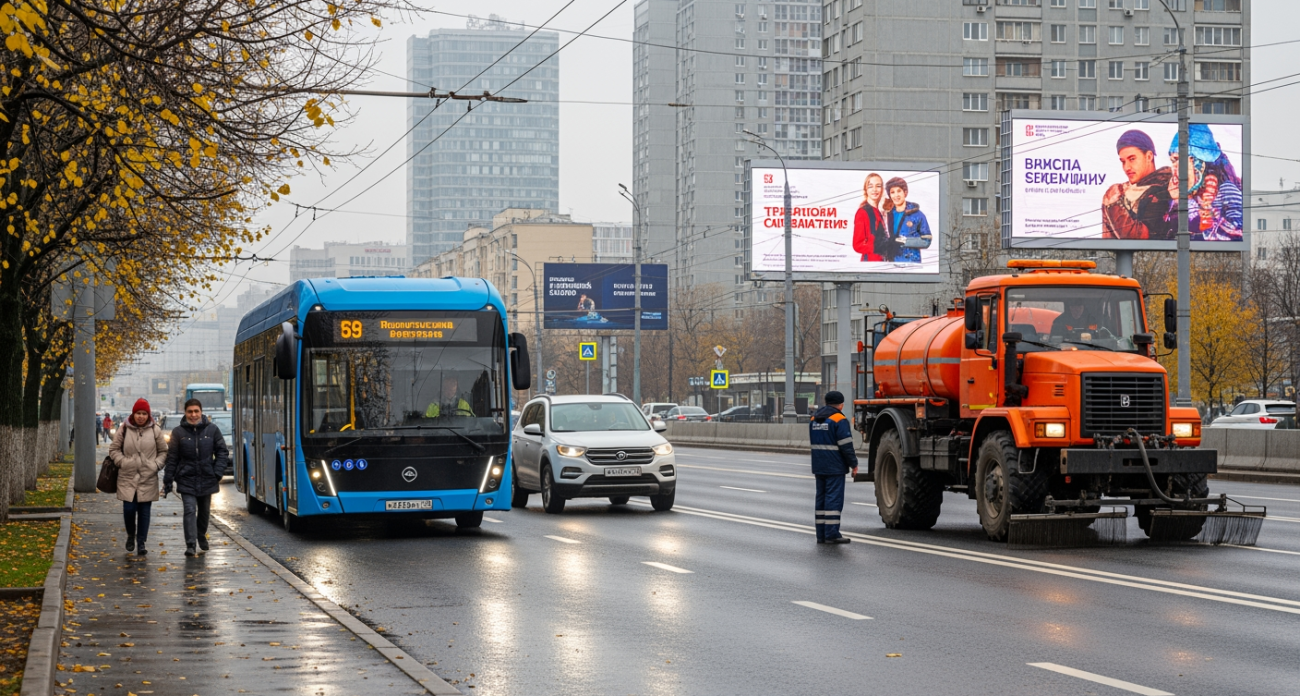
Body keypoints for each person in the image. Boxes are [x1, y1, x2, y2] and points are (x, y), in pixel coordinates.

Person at [164, 399, 229, 557]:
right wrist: (168, 480)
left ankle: (201, 534)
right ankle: (191, 544)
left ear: (201, 412)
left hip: (207, 477)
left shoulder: (212, 430)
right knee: (190, 509)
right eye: (190, 412)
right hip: (186, 478)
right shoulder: (178, 432)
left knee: (204, 512)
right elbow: (172, 458)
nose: (193, 415)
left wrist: (217, 472)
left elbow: (222, 452)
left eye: (196, 411)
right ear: (185, 413)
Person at [109, 399, 168, 557]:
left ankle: (141, 542)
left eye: (144, 414)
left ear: (148, 415)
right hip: (127, 476)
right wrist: (123, 462)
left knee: (144, 512)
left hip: (147, 477)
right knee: (129, 510)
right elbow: (114, 449)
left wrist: (155, 465)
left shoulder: (155, 430)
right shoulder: (124, 428)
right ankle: (130, 535)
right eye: (138, 413)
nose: (141, 416)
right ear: (133, 414)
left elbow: (163, 451)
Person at [1168, 124, 1243, 242]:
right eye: (1172, 161)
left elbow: (1238, 232)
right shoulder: (1179, 196)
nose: (1174, 168)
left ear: (1199, 164)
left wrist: (1209, 219)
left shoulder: (1226, 190)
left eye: (1178, 160)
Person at [1101, 129, 1176, 241]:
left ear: (1149, 156)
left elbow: (1140, 240)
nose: (1127, 167)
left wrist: (1114, 205)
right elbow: (1107, 243)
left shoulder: (1167, 188)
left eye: (1132, 159)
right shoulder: (1120, 191)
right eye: (1123, 161)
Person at [809, 391, 858, 544]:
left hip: (818, 465)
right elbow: (846, 445)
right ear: (841, 404)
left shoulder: (814, 419)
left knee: (821, 499)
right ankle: (832, 533)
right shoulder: (839, 419)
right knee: (833, 499)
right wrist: (853, 464)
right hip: (834, 466)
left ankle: (821, 534)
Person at [881, 177, 932, 263]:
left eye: (899, 191)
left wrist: (905, 241)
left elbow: (926, 241)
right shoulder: (887, 214)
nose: (896, 195)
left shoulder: (917, 214)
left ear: (905, 192)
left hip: (911, 262)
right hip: (891, 262)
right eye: (892, 192)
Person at [851, 173, 886, 262]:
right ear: (866, 190)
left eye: (878, 186)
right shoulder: (862, 212)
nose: (874, 190)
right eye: (870, 186)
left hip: (882, 263)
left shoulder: (878, 212)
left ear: (882, 189)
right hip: (870, 264)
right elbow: (857, 245)